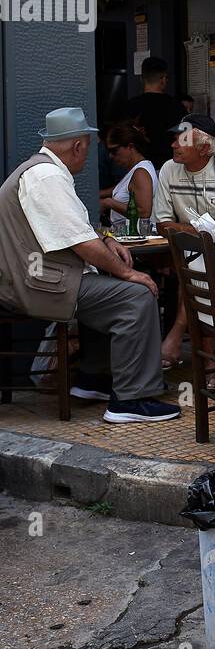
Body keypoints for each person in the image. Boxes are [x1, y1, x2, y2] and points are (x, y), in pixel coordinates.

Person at [0, 108, 179, 424]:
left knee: (107, 281)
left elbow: (77, 231)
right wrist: (128, 272)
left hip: (35, 276)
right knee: (136, 295)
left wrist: (107, 239)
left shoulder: (40, 171)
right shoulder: (48, 176)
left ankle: (93, 379)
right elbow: (80, 243)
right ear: (78, 146)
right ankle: (131, 399)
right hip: (37, 283)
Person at [153, 113, 215, 366]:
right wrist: (199, 232)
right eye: (174, 139)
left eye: (181, 140)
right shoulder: (168, 170)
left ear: (205, 148)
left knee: (202, 265)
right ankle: (211, 359)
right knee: (197, 263)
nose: (174, 144)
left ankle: (179, 336)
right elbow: (163, 224)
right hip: (193, 253)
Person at [123, 56, 185, 169]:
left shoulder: (129, 107)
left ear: (141, 79)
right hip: (169, 169)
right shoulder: (177, 107)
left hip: (138, 169)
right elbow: (186, 140)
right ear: (163, 79)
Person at [99, 123, 158, 224]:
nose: (110, 156)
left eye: (114, 151)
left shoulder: (141, 173)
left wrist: (109, 203)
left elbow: (144, 212)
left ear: (130, 147)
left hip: (138, 236)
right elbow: (125, 189)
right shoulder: (135, 170)